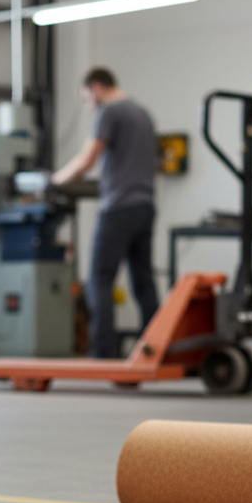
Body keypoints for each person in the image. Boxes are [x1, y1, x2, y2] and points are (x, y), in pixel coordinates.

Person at [52, 67, 159, 358]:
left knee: (99, 278)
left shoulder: (110, 112)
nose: (90, 104)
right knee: (143, 280)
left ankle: (103, 353)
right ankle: (157, 349)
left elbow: (87, 160)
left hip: (118, 208)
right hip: (145, 206)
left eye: (88, 98)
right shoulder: (143, 114)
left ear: (97, 87)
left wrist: (54, 180)